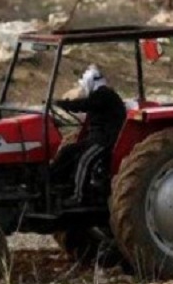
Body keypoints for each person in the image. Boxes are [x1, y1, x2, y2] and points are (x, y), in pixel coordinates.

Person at [51, 65, 126, 205]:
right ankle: (53, 183)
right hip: (95, 138)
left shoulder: (105, 94)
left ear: (91, 82)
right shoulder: (99, 96)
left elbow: (84, 105)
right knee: (68, 151)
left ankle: (78, 197)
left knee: (84, 160)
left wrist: (62, 103)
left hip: (105, 140)